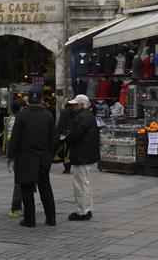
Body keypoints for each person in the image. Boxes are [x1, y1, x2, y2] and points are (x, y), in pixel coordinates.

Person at [7, 87, 56, 227]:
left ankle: (30, 220)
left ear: (28, 99)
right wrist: (50, 156)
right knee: (45, 188)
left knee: (27, 189)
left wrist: (10, 156)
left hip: (26, 158)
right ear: (41, 100)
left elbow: (15, 138)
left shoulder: (22, 116)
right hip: (43, 157)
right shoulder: (48, 115)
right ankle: (51, 219)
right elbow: (53, 139)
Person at [66, 93, 100, 221]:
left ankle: (82, 211)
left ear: (80, 105)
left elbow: (75, 136)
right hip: (88, 154)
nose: (73, 106)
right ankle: (88, 208)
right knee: (86, 183)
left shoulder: (81, 117)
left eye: (75, 104)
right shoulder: (89, 115)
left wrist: (66, 139)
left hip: (81, 154)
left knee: (80, 184)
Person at [8, 96, 27, 218]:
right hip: (19, 155)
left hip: (18, 155)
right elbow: (13, 140)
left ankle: (19, 205)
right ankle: (16, 207)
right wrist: (10, 156)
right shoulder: (16, 121)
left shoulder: (13, 120)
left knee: (21, 182)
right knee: (19, 183)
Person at [55, 102, 75, 174]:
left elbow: (61, 123)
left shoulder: (64, 111)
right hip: (73, 132)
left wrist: (57, 133)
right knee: (70, 150)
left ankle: (67, 168)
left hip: (64, 134)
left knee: (65, 151)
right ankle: (69, 166)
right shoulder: (76, 111)